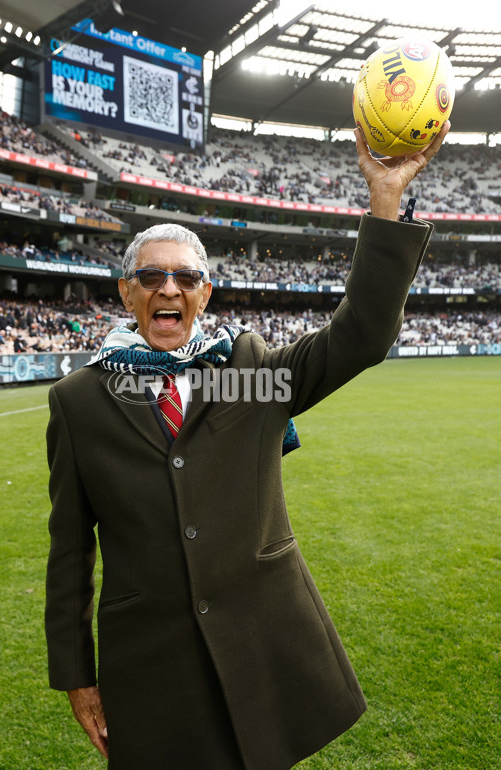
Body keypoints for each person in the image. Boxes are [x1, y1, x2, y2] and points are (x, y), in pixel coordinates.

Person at [45, 123, 450, 770]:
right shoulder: (78, 401)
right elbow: (69, 551)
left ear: (205, 294)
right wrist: (74, 671)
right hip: (150, 663)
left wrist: (386, 201)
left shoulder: (249, 369)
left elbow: (363, 335)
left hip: (258, 645)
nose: (168, 289)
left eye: (186, 278)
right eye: (150, 277)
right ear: (126, 293)